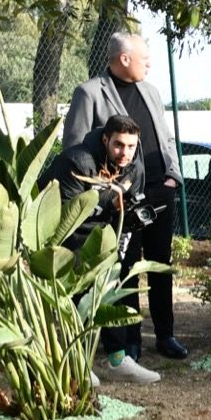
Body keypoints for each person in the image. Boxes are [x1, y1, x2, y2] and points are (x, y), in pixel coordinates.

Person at [61, 31, 187, 360]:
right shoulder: (89, 92)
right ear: (124, 59)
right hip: (118, 197)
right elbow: (74, 150)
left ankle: (165, 334)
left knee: (160, 263)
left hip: (160, 189)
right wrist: (105, 191)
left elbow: (165, 137)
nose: (150, 63)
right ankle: (129, 339)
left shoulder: (151, 90)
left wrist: (173, 175)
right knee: (124, 264)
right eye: (144, 57)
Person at [49, 115, 159, 383]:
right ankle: (76, 364)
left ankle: (117, 360)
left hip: (105, 233)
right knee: (77, 298)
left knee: (110, 293)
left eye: (131, 146)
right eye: (119, 145)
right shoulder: (77, 161)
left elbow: (133, 203)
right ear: (105, 139)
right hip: (67, 235)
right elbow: (65, 215)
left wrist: (128, 218)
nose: (125, 153)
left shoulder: (134, 166)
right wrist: (110, 205)